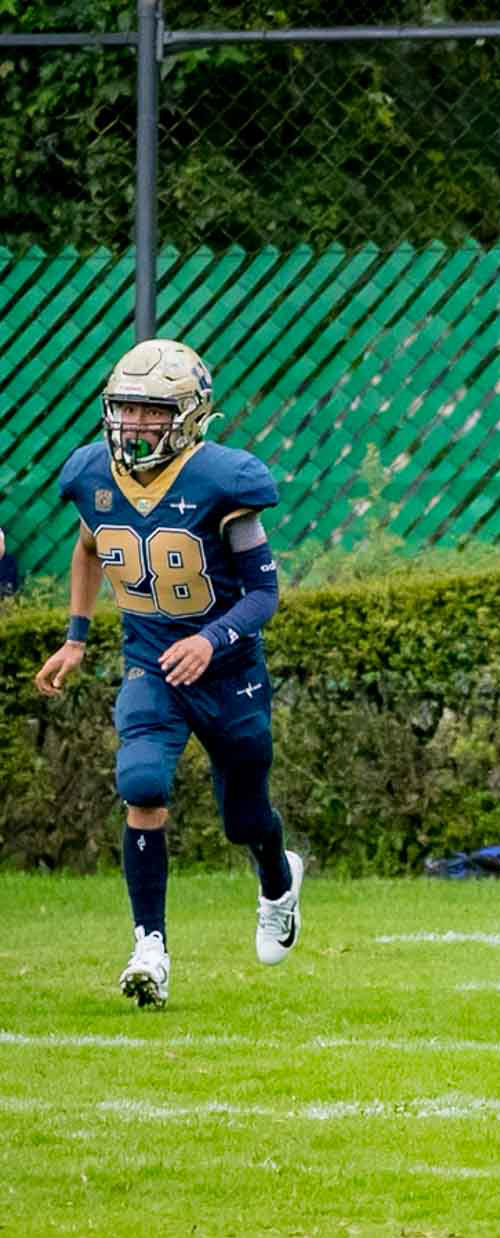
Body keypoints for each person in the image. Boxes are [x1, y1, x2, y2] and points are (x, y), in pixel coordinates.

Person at [34, 338, 300, 1008]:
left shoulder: (224, 480)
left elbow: (264, 593)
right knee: (143, 783)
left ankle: (277, 880)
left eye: (152, 411)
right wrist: (76, 638)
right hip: (151, 664)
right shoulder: (93, 474)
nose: (134, 423)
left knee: (245, 819)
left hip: (228, 670)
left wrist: (211, 640)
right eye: (126, 408)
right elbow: (91, 546)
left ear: (188, 416)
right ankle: (148, 947)